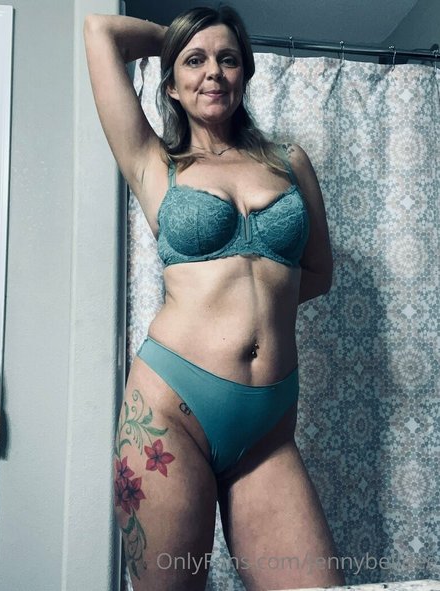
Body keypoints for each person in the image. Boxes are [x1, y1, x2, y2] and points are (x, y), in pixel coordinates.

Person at [84, 6, 345, 591]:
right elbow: (100, 31)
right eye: (194, 62)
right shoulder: (155, 164)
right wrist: (177, 39)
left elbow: (318, 273)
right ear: (171, 86)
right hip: (170, 412)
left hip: (268, 429)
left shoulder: (289, 163)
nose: (213, 73)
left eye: (228, 59)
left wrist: (255, 309)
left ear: (245, 73)